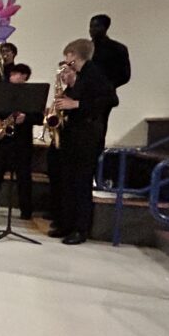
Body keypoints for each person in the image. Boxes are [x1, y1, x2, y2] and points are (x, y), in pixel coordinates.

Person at [49, 39, 118, 245]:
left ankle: (81, 229)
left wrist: (76, 103)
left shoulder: (94, 72)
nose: (65, 61)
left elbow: (111, 99)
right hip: (73, 136)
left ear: (73, 55)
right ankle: (66, 224)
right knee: (67, 182)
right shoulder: (81, 77)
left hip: (87, 138)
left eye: (67, 57)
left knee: (80, 184)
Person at [0, 63, 39, 220]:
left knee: (24, 176)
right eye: (12, 74)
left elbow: (39, 118)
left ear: (25, 77)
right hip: (3, 140)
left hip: (22, 141)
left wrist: (26, 118)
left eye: (17, 74)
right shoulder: (2, 92)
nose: (13, 76)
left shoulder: (32, 95)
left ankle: (26, 210)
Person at [88, 14, 130, 138]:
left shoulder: (117, 48)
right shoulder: (85, 48)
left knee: (98, 132)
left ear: (105, 27)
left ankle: (96, 155)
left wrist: (106, 85)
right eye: (90, 27)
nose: (92, 30)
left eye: (96, 26)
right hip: (83, 94)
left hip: (103, 97)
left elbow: (125, 75)